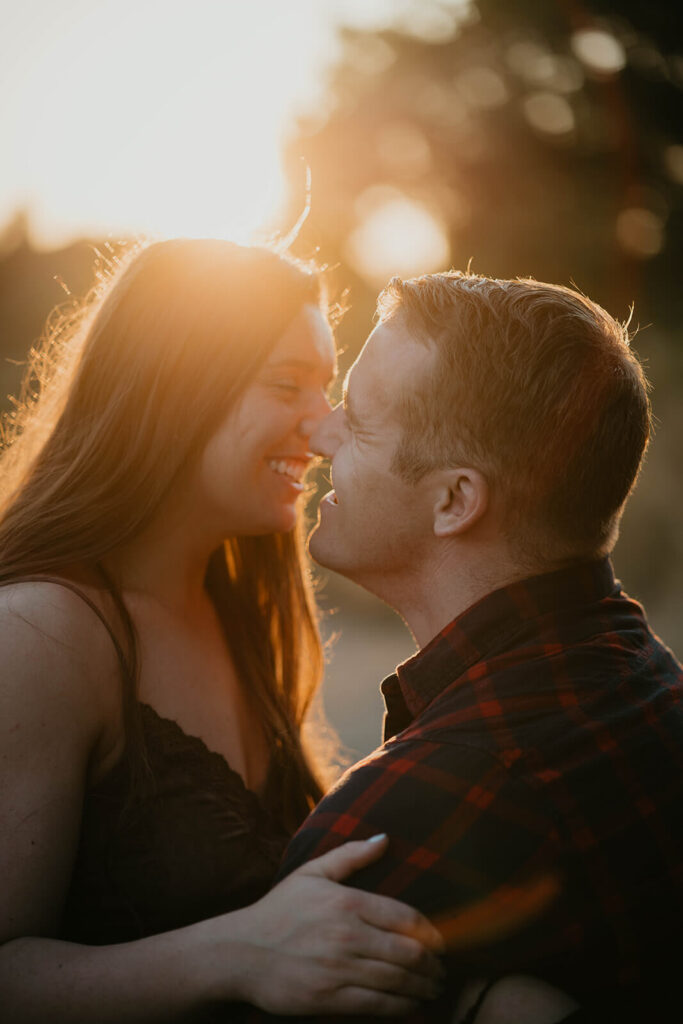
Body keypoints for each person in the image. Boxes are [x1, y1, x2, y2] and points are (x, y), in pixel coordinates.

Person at [0, 239, 445, 1022]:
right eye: (288, 385)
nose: (327, 427)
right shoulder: (43, 635)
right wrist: (234, 953)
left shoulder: (239, 608)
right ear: (171, 388)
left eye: (328, 387)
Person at [276, 271, 683, 1021]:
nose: (321, 432)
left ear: (454, 501)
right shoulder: (651, 688)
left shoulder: (394, 829)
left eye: (359, 423)